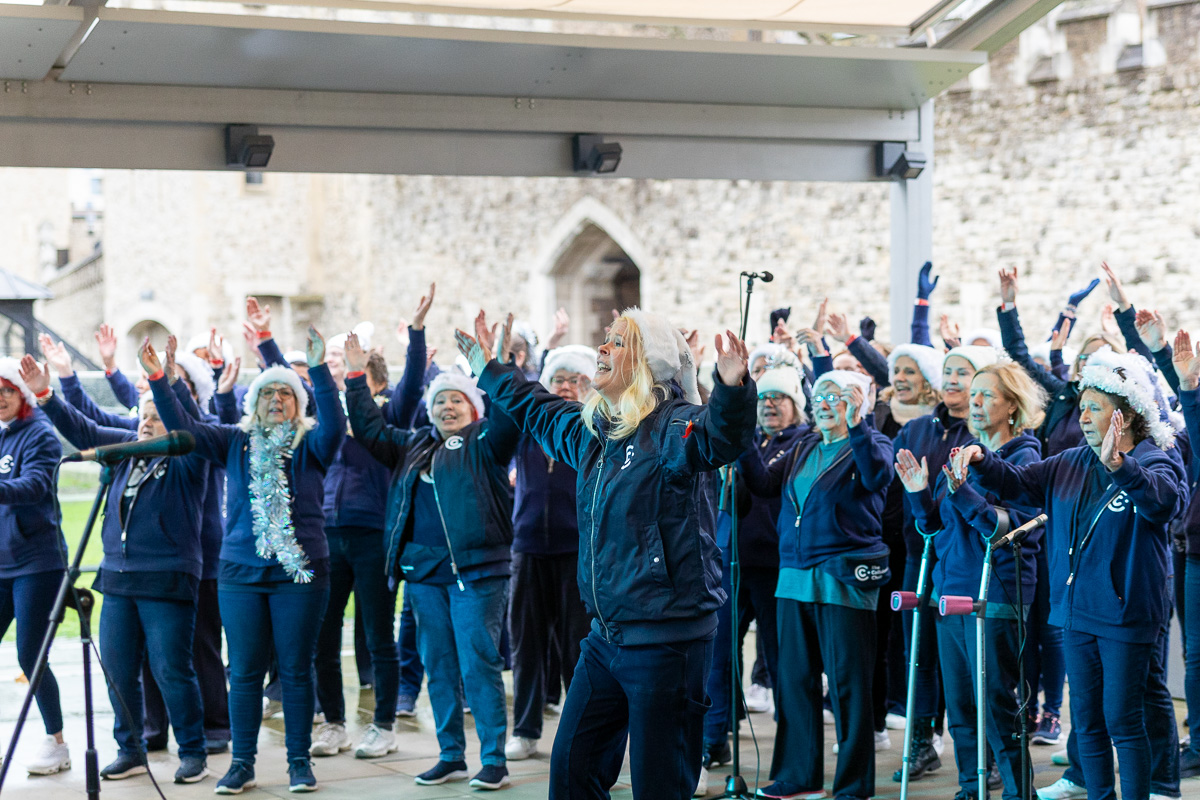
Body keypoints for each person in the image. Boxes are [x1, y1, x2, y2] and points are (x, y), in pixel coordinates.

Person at [460, 308, 755, 798]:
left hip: (667, 640)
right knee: (572, 774)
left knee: (659, 786)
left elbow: (720, 436)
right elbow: (537, 409)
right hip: (605, 639)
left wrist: (731, 387)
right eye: (607, 338)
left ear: (648, 362)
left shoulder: (673, 428)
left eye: (618, 342)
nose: (602, 347)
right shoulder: (597, 432)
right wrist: (490, 369)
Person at [950, 347, 1187, 800]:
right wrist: (981, 461)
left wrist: (1120, 466)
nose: (1083, 416)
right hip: (1075, 614)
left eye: (1095, 408)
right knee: (1089, 720)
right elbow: (1019, 483)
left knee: (1123, 720)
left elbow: (1163, 504)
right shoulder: (1071, 461)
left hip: (1125, 616)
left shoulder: (1156, 459)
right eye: (1082, 407)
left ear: (1128, 415)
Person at [142, 326, 345, 794]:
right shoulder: (234, 441)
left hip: (300, 573)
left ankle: (299, 763)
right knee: (247, 671)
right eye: (268, 392)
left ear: (298, 404)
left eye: (286, 394)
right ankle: (242, 764)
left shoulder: (311, 445)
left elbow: (333, 424)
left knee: (295, 669)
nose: (277, 398)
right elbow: (187, 428)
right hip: (240, 574)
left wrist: (318, 370)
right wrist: (161, 379)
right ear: (254, 403)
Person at [342, 329, 520, 791]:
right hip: (423, 577)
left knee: (477, 664)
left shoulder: (486, 442)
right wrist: (356, 378)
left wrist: (492, 367)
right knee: (438, 666)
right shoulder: (412, 445)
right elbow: (369, 429)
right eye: (440, 403)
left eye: (457, 401)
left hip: (477, 575)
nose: (447, 408)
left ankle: (494, 759)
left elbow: (509, 416)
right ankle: (451, 756)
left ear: (473, 407)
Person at [23, 353, 211, 785]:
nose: (145, 423)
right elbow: (84, 430)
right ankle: (130, 749)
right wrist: (46, 395)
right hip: (120, 580)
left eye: (155, 417)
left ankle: (194, 751)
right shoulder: (126, 451)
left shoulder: (188, 458)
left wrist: (162, 384)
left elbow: (189, 424)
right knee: (118, 669)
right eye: (142, 416)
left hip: (167, 579)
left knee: (170, 670)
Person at [738, 369, 893, 800]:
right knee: (794, 681)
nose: (827, 403)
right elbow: (765, 484)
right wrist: (743, 441)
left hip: (843, 578)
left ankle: (853, 785)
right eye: (822, 395)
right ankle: (797, 776)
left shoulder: (874, 444)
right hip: (793, 578)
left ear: (858, 404)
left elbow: (877, 476)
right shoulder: (805, 444)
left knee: (848, 685)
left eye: (839, 396)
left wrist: (860, 423)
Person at [897, 362, 1047, 800]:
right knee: (961, 710)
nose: (976, 403)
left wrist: (963, 491)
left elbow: (1008, 529)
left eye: (987, 396)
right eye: (974, 395)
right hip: (951, 594)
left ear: (1012, 406)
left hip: (995, 595)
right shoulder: (965, 450)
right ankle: (970, 789)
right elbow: (936, 530)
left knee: (997, 710)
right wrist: (919, 493)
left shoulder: (1024, 457)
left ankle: (1020, 793)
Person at [890, 344, 997, 780]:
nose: (953, 381)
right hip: (920, 553)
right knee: (919, 655)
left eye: (963, 373)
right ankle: (921, 742)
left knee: (973, 666)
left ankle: (986, 756)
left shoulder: (982, 436)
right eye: (948, 372)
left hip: (968, 560)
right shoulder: (916, 429)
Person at [702, 358, 807, 770]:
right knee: (719, 655)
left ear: (796, 406)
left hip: (775, 564)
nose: (771, 405)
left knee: (782, 657)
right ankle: (714, 737)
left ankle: (791, 742)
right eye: (764, 398)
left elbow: (765, 485)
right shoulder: (750, 441)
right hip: (731, 561)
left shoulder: (801, 442)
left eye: (780, 398)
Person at [506, 345, 596, 763]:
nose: (564, 387)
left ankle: (581, 734)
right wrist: (508, 365)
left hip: (576, 550)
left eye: (574, 381)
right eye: (557, 380)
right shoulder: (529, 428)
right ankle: (524, 730)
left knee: (578, 648)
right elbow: (506, 404)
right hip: (528, 548)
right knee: (527, 643)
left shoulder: (596, 430)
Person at [0, 359, 70, 776]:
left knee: (31, 653)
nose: (0, 399)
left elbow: (35, 486)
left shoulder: (41, 435)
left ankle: (56, 742)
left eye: (6, 390)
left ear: (22, 395)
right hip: (1, 562)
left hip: (38, 563)